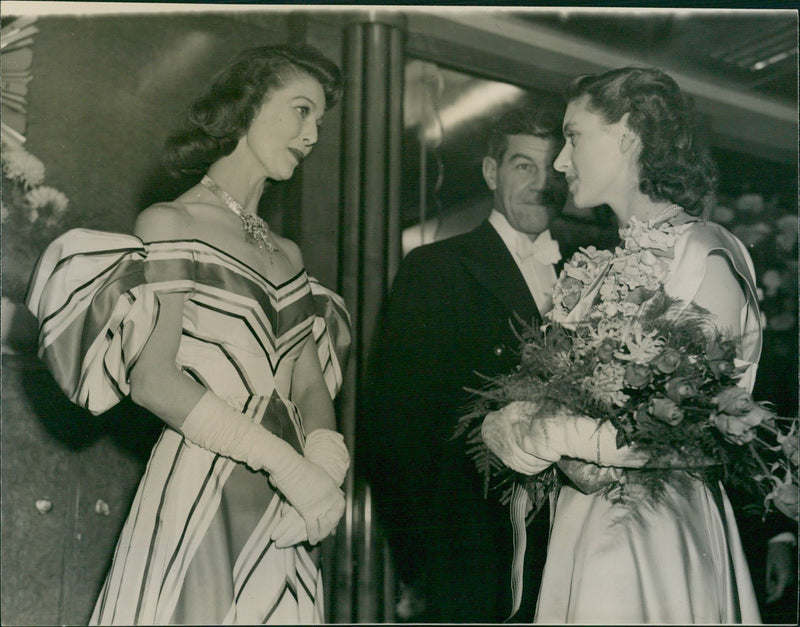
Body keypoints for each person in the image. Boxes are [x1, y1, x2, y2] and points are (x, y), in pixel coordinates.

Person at [26, 44, 351, 625]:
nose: (312, 135)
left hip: (288, 501)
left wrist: (324, 468)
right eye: (301, 111)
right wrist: (286, 464)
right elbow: (153, 381)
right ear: (248, 107)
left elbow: (308, 385)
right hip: (204, 482)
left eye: (320, 121)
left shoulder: (290, 255)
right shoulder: (172, 222)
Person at [481, 66, 790, 624]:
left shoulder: (703, 254)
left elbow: (700, 428)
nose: (559, 162)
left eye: (573, 137)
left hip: (654, 532)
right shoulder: (594, 268)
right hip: (580, 530)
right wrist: (510, 420)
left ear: (628, 133)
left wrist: (563, 434)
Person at [359, 104, 567, 622]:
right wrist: (420, 559)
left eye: (551, 169)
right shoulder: (437, 268)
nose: (541, 184)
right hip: (470, 545)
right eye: (524, 166)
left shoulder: (591, 273)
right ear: (492, 173)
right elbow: (395, 425)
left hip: (567, 541)